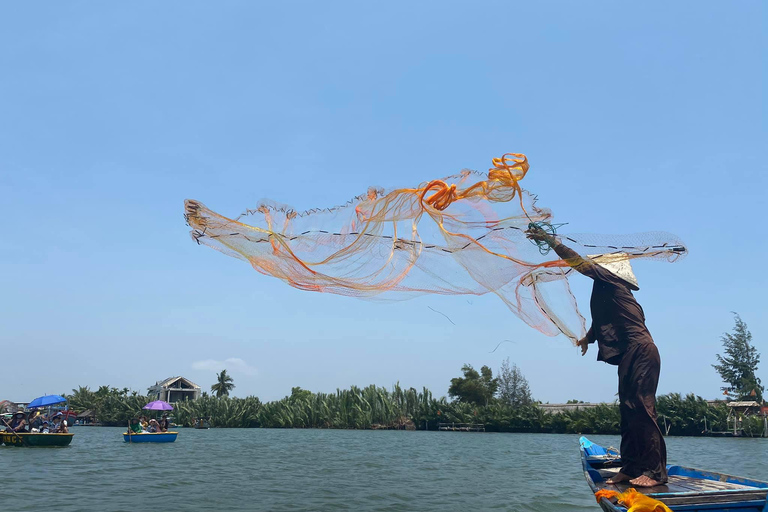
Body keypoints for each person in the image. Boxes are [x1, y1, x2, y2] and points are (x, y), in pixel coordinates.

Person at [527, 226, 667, 487]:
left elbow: (579, 263)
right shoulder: (609, 292)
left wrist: (550, 240)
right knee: (628, 411)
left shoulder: (612, 283)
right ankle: (631, 466)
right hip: (630, 354)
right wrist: (588, 339)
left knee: (643, 411)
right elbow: (604, 321)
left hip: (642, 352)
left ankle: (655, 473)